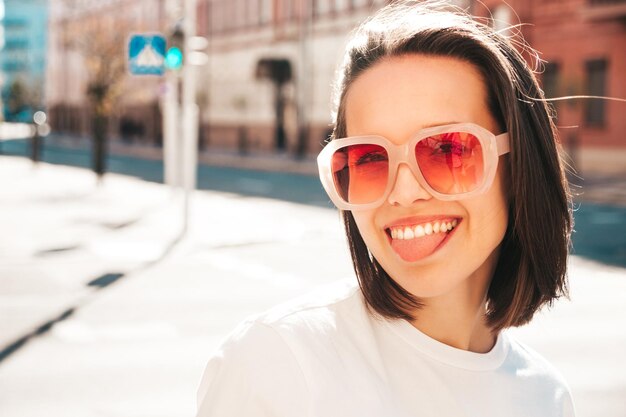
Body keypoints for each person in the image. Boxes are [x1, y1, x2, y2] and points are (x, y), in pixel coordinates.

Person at [196, 1, 575, 416]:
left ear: (519, 160)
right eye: (370, 159)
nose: (404, 192)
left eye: (446, 149)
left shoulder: (546, 398)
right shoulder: (278, 364)